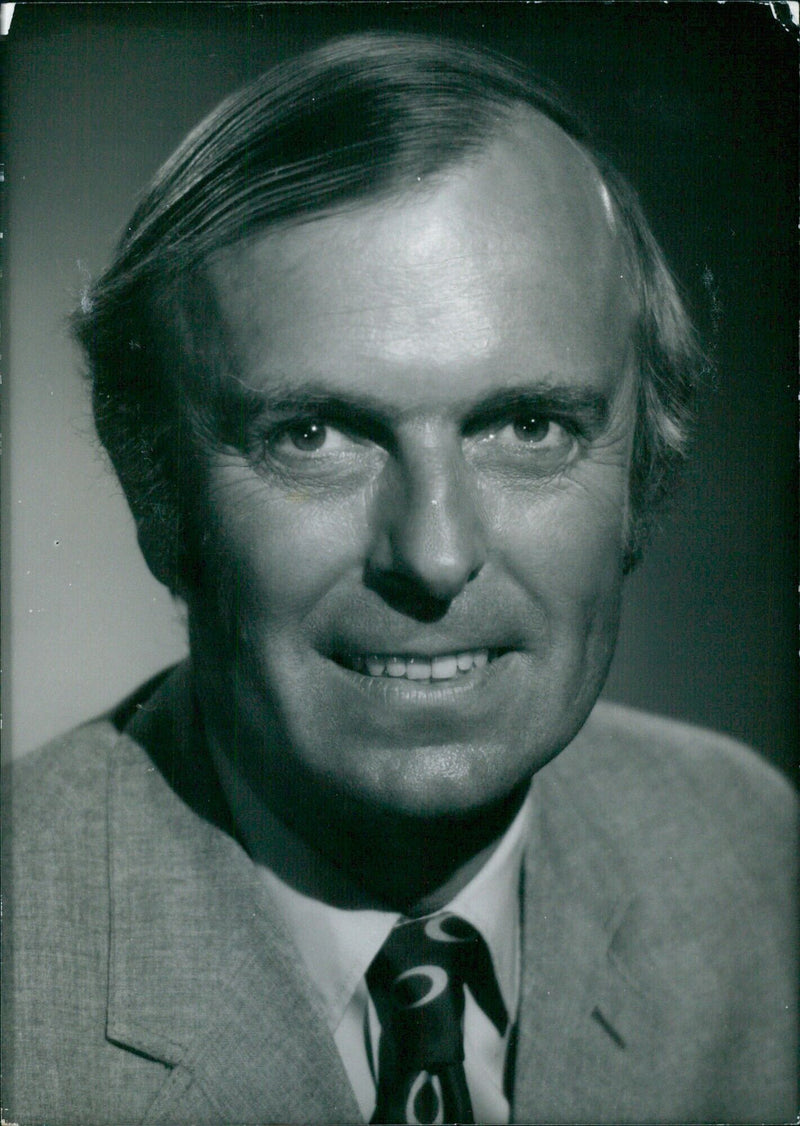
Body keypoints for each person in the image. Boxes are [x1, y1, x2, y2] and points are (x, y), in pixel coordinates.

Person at [2, 31, 795, 1126]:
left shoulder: (752, 857)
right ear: (156, 492)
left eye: (527, 424)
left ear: (641, 473)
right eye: (316, 433)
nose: (431, 554)